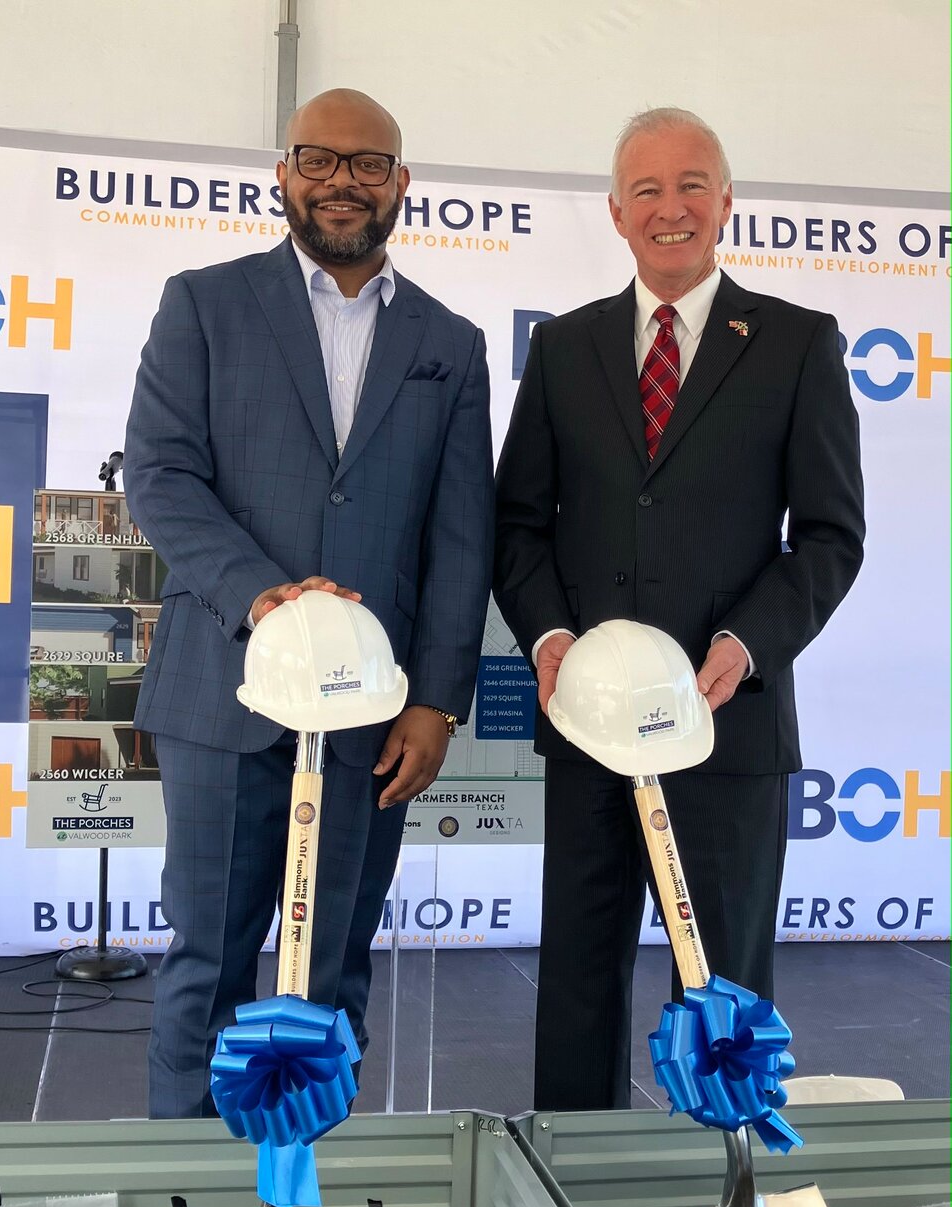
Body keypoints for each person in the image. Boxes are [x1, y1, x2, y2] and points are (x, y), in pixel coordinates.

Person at [124, 89, 495, 1117]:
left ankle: (310, 1202)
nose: (344, 181)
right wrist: (265, 597)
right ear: (282, 176)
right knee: (207, 966)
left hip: (371, 713)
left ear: (402, 185)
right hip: (221, 693)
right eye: (320, 160)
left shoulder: (450, 345)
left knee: (329, 974)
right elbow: (159, 476)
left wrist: (438, 700)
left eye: (369, 164)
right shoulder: (202, 302)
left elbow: (461, 537)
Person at [494, 107, 865, 1111]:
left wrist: (746, 644)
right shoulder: (564, 350)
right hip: (586, 725)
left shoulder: (796, 345)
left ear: (727, 202)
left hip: (726, 723)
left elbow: (830, 536)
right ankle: (571, 1184)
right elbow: (517, 525)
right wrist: (553, 637)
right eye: (647, 191)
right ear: (615, 214)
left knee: (725, 985)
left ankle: (730, 1180)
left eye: (691, 185)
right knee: (576, 979)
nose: (671, 209)